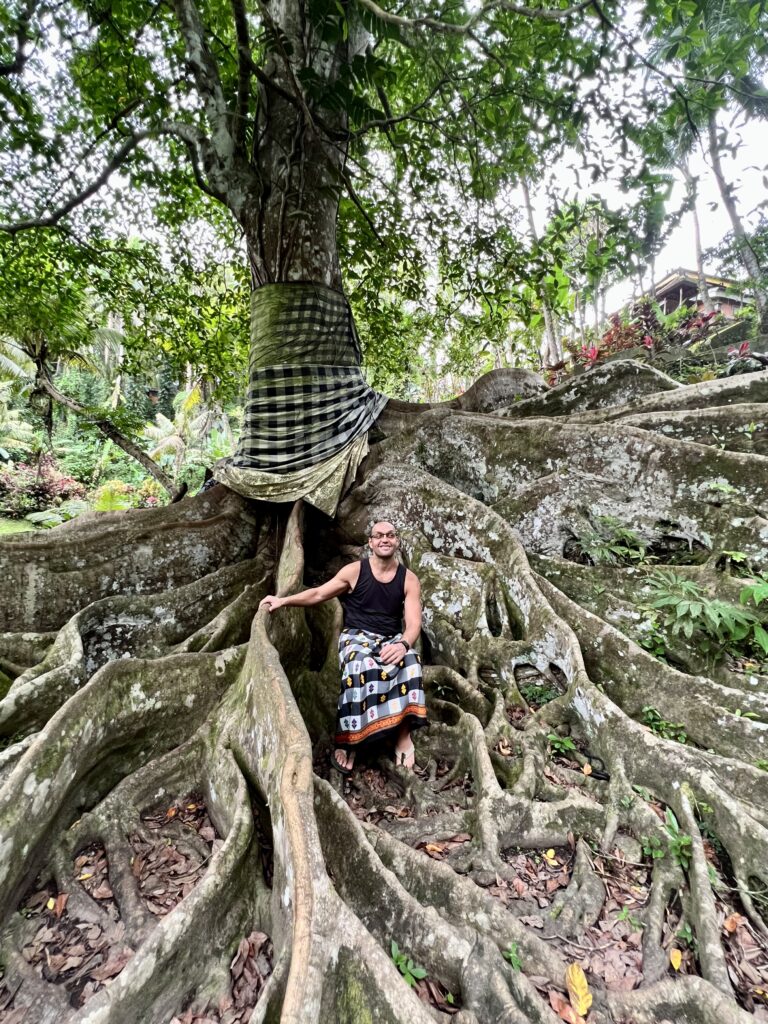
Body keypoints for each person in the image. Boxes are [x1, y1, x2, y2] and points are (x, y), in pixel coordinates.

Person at [259, 520, 426, 775]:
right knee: (361, 665)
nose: (384, 539)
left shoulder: (409, 579)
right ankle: (351, 738)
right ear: (370, 542)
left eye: (390, 535)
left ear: (396, 541)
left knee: (411, 661)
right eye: (378, 535)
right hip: (356, 636)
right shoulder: (355, 571)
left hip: (391, 638)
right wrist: (283, 601)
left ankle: (403, 735)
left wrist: (403, 644)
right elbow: (318, 595)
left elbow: (414, 624)